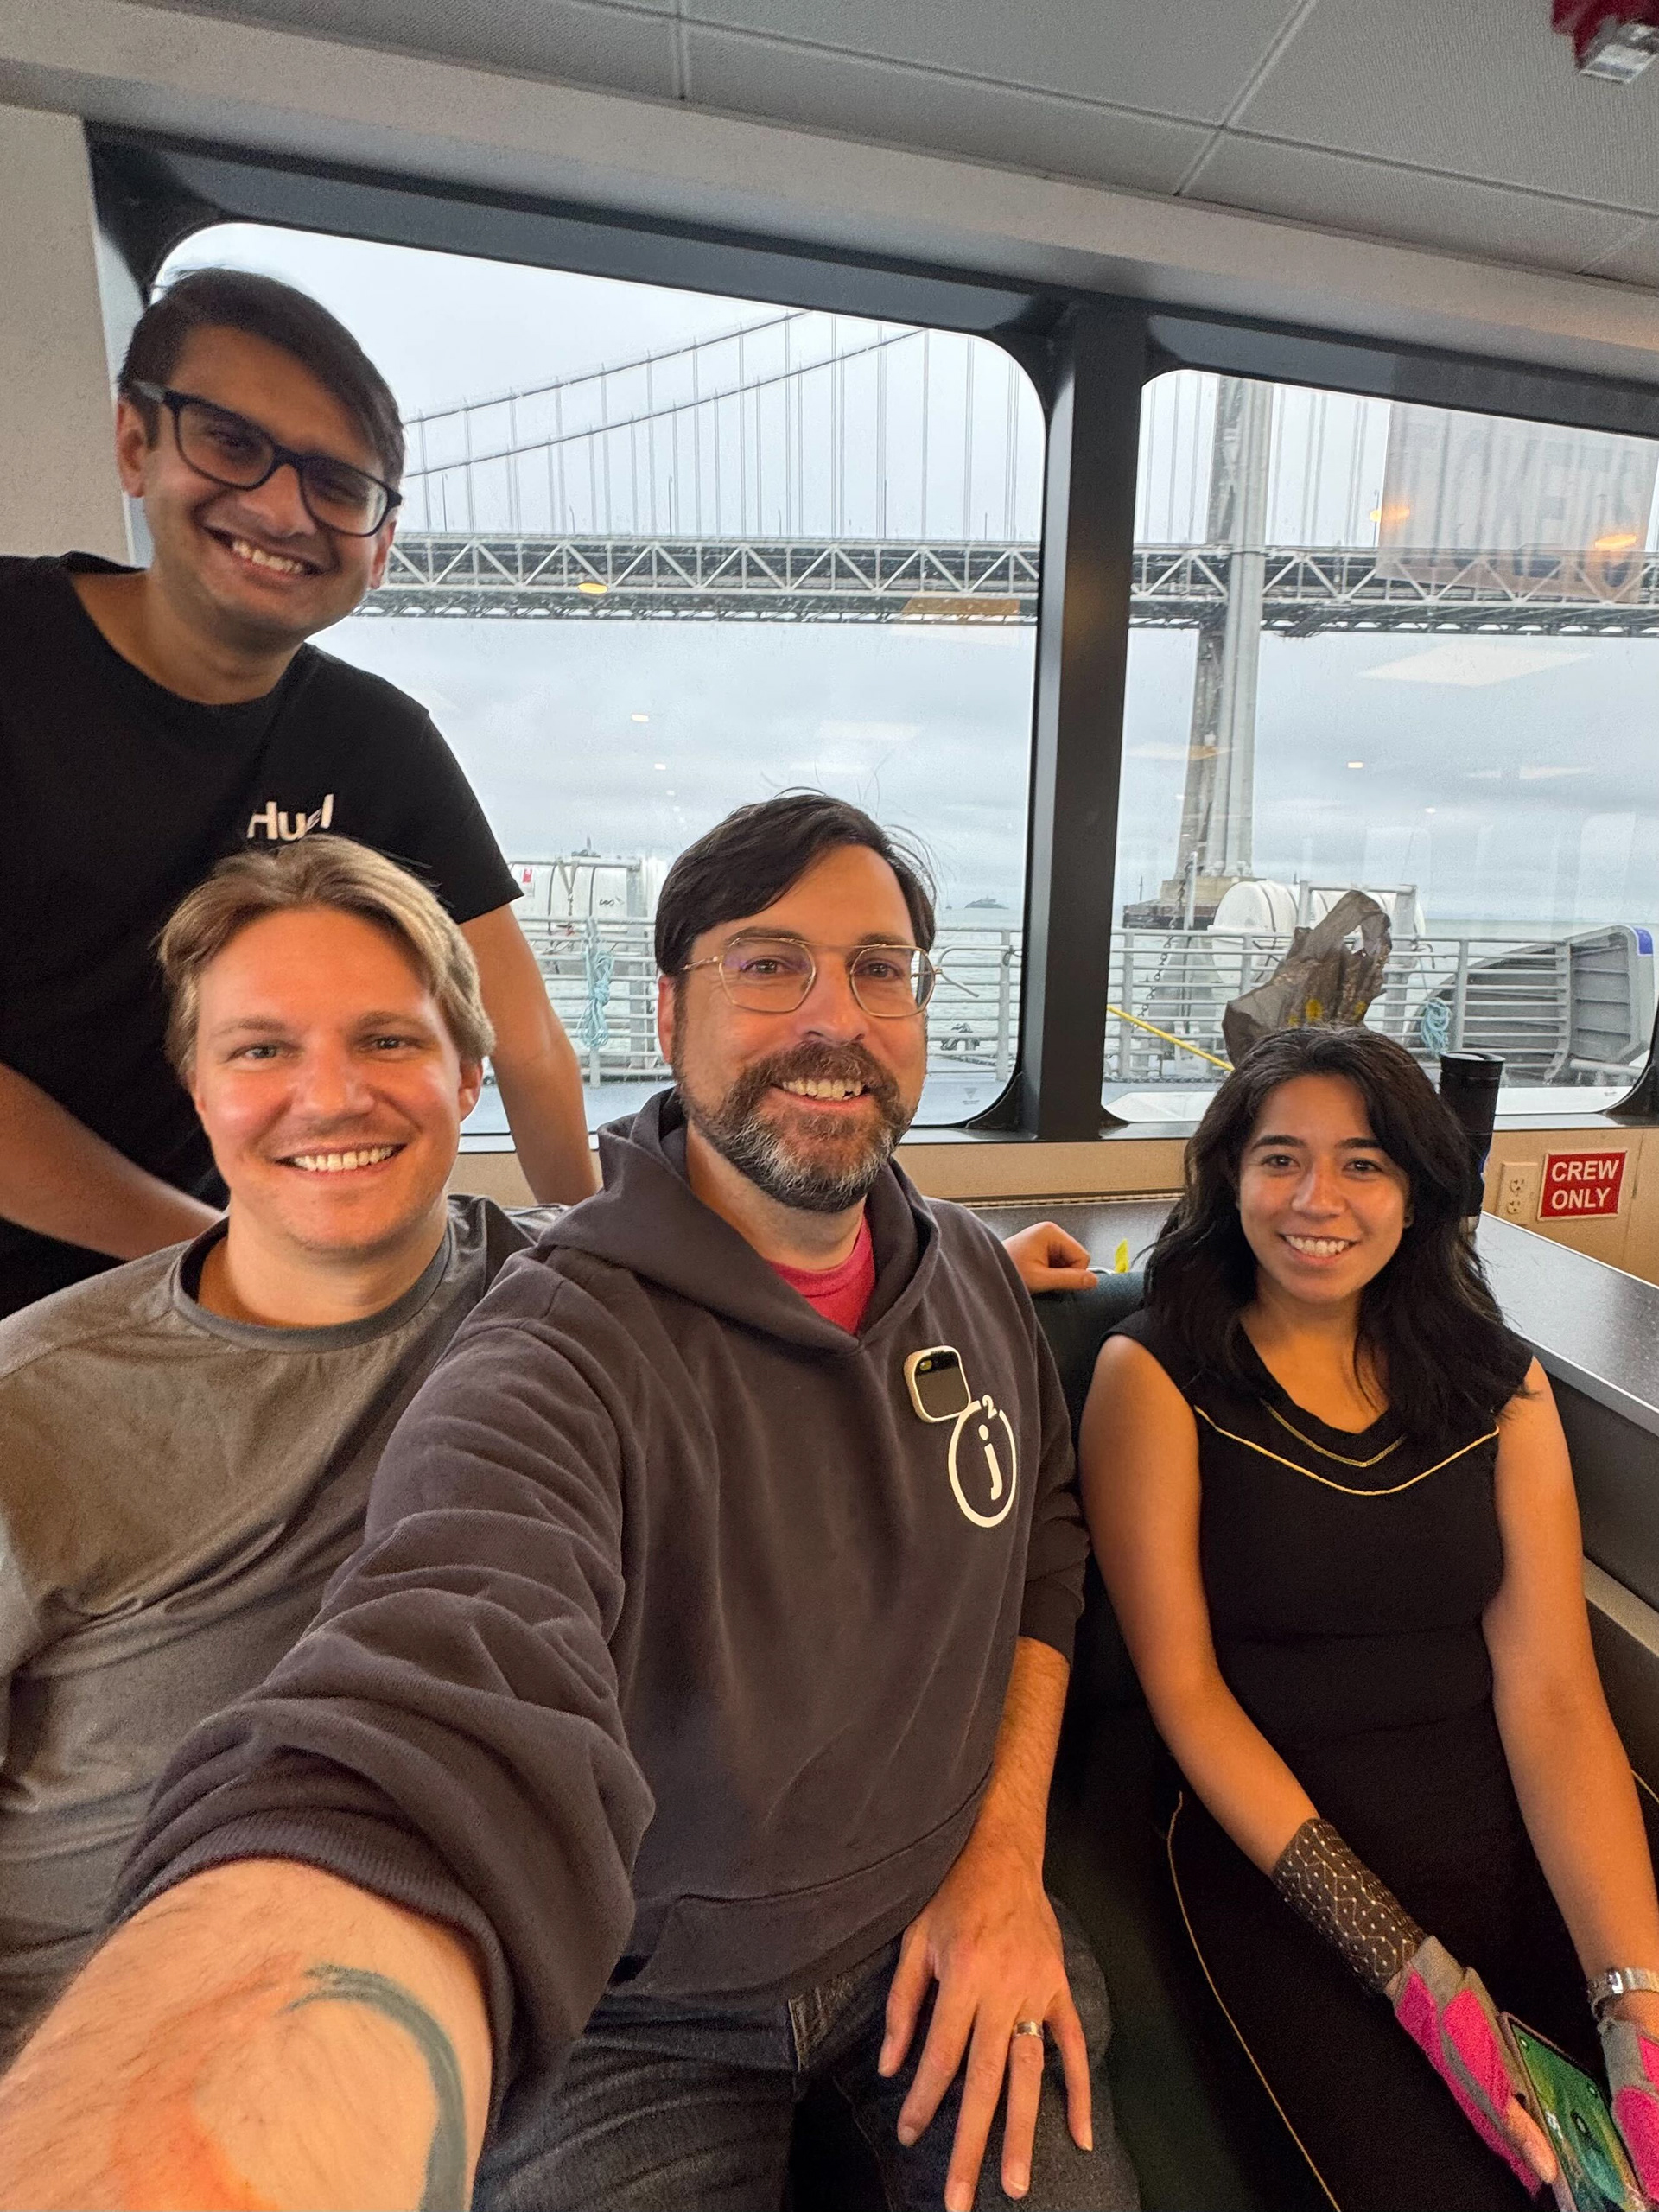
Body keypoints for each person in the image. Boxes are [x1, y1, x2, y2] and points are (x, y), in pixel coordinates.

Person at [0, 792, 1135, 2212]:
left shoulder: (958, 1272)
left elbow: (1044, 1547)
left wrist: (1005, 1860)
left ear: (468, 1078)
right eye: (768, 964)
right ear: (665, 1017)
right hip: (631, 2014)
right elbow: (450, 1674)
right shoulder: (548, 1339)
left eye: (880, 968)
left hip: (946, 1921)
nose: (832, 1017)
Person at [0, 835, 568, 2051]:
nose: (331, 1096)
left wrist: (972, 1265)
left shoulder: (571, 1309)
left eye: (387, 1039)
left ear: (468, 1075)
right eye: (263, 1050)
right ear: (198, 1091)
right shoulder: (34, 1403)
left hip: (441, 2039)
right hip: (100, 2056)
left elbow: (777, 1259)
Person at [1079, 1023, 1659, 2212]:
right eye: (1280, 1157)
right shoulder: (1154, 1379)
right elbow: (1188, 1698)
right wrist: (1410, 1978)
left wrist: (1631, 1997)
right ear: (1229, 1177)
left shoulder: (1500, 1383)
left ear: (1417, 1194)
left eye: (1363, 1163)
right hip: (1281, 1854)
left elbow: (1551, 1694)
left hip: (1505, 1821)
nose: (1316, 1199)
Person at [0, 265, 596, 1323]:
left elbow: (526, 1041)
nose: (281, 508)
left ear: (380, 548)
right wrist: (222, 1257)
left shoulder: (371, 739)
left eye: (336, 484)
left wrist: (603, 1284)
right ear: (136, 446)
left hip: (182, 1304)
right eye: (230, 443)